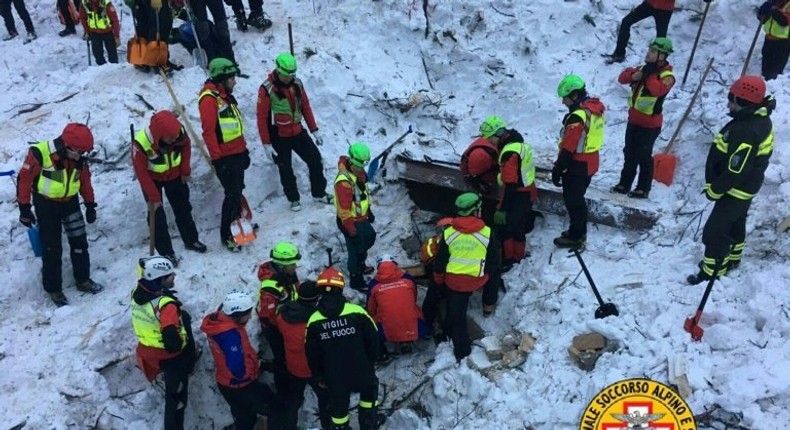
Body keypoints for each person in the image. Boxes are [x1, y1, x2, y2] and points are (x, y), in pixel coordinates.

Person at [688, 76, 775, 285]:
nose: (728, 104)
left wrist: (715, 190)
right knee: (736, 222)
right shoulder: (756, 118)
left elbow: (736, 169)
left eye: (732, 99)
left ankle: (712, 271)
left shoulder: (746, 130)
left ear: (744, 102)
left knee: (714, 231)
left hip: (735, 189)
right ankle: (732, 259)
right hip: (746, 188)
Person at [17, 123, 103, 307]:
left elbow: (85, 181)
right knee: (52, 248)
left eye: (84, 152)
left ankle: (83, 280)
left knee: (80, 242)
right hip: (46, 205)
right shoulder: (40, 154)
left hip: (70, 203)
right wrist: (24, 208)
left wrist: (90, 204)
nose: (81, 156)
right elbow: (24, 180)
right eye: (79, 151)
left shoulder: (79, 160)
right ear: (67, 146)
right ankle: (54, 289)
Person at [306, 267, 384, 430]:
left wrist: (320, 377)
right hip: (362, 369)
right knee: (369, 397)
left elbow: (312, 353)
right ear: (340, 288)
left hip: (333, 376)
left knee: (338, 408)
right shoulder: (357, 312)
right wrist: (369, 361)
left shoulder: (314, 320)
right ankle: (369, 423)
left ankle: (341, 427)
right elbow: (373, 340)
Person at [131, 256, 200, 430]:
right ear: (159, 279)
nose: (174, 276)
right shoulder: (166, 305)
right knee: (176, 400)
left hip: (147, 348)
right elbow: (172, 341)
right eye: (170, 275)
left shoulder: (138, 293)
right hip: (169, 357)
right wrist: (181, 345)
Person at [257, 52, 331, 212]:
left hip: (297, 131)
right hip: (278, 135)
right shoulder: (266, 89)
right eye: (287, 75)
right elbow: (262, 118)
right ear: (279, 71)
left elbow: (305, 106)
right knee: (286, 169)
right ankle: (293, 198)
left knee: (315, 160)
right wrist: (266, 143)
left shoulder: (297, 84)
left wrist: (314, 130)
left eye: (292, 74)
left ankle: (319, 193)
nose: (290, 77)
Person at [432, 193, 501, 361]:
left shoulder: (449, 234)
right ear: (476, 211)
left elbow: (440, 262)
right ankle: (488, 306)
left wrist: (439, 281)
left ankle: (461, 349)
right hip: (478, 280)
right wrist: (486, 273)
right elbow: (493, 259)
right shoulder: (487, 233)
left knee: (457, 314)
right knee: (496, 270)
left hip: (454, 283)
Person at [132, 111, 207, 264]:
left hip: (174, 175)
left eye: (175, 137)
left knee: (183, 209)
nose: (174, 140)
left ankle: (191, 240)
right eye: (170, 138)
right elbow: (141, 174)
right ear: (160, 135)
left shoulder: (177, 132)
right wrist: (153, 197)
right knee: (157, 217)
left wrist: (185, 170)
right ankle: (166, 252)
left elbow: (186, 145)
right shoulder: (140, 143)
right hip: (152, 180)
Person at [201, 289, 281, 430]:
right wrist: (251, 371)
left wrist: (257, 362)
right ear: (237, 315)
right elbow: (237, 367)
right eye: (247, 314)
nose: (250, 318)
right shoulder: (230, 335)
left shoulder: (218, 323)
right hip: (241, 386)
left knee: (244, 419)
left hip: (225, 382)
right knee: (276, 409)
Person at [612, 37, 675, 199]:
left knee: (643, 156)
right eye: (649, 50)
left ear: (662, 56)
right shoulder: (643, 69)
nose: (649, 53)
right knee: (629, 153)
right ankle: (624, 183)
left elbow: (656, 90)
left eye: (653, 51)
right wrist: (635, 75)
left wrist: (649, 75)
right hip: (633, 121)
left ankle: (643, 188)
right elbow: (623, 77)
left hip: (650, 124)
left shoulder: (667, 76)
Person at [199, 57, 250, 251]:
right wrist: (217, 159)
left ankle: (237, 224)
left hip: (236, 153)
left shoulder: (224, 95)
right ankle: (227, 235)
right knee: (232, 195)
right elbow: (209, 131)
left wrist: (244, 149)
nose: (235, 81)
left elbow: (235, 126)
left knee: (237, 192)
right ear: (221, 78)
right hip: (225, 157)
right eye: (232, 78)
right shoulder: (209, 99)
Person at [551, 75, 606, 249]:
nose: (563, 103)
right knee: (577, 199)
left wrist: (558, 169)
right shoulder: (592, 110)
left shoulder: (577, 117)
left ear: (574, 95)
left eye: (565, 98)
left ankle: (576, 236)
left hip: (577, 165)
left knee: (573, 201)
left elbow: (569, 147)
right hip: (590, 161)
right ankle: (577, 231)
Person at [479, 116, 536, 270]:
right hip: (527, 191)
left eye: (490, 139)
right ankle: (516, 258)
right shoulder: (518, 143)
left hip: (518, 195)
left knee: (508, 229)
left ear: (498, 135)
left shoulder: (509, 153)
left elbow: (510, 184)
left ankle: (510, 260)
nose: (489, 142)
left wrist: (502, 209)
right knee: (517, 228)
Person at [273, 280, 331, 430]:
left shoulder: (283, 316)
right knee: (326, 401)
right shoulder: (317, 322)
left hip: (293, 368)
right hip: (315, 370)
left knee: (293, 400)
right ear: (315, 299)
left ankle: (289, 426)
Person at [256, 241, 302, 395]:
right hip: (276, 329)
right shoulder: (271, 287)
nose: (295, 267)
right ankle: (283, 390)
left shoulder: (287, 275)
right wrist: (285, 326)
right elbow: (266, 316)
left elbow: (297, 290)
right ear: (282, 265)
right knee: (282, 359)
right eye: (292, 264)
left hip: (289, 320)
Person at [334, 142, 376, 291]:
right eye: (359, 166)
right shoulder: (344, 182)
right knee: (355, 251)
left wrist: (368, 211)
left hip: (361, 218)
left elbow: (362, 196)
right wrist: (351, 230)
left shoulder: (359, 173)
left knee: (369, 237)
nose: (361, 169)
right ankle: (356, 279)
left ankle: (361, 265)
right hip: (349, 221)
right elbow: (344, 210)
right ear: (351, 161)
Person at [366, 255, 423, 356]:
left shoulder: (374, 285)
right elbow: (413, 298)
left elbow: (371, 310)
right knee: (414, 309)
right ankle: (411, 335)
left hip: (387, 330)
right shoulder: (408, 279)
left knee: (372, 321)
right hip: (417, 327)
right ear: (395, 265)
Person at [420, 217, 453, 338]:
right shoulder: (459, 241)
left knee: (431, 301)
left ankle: (427, 325)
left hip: (438, 274)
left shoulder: (432, 242)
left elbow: (426, 259)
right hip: (452, 275)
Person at [79, 0, 120, 65]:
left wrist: (116, 36)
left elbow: (115, 20)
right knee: (97, 55)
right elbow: (82, 18)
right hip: (94, 32)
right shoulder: (84, 3)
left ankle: (114, 69)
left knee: (112, 54)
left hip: (108, 32)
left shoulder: (106, 3)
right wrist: (87, 31)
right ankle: (102, 69)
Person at [758, 0, 790, 80]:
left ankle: (772, 84)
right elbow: (763, 19)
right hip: (769, 38)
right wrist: (761, 13)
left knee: (775, 68)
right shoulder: (772, 2)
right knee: (765, 63)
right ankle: (763, 80)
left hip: (782, 42)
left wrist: (773, 10)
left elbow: (784, 21)